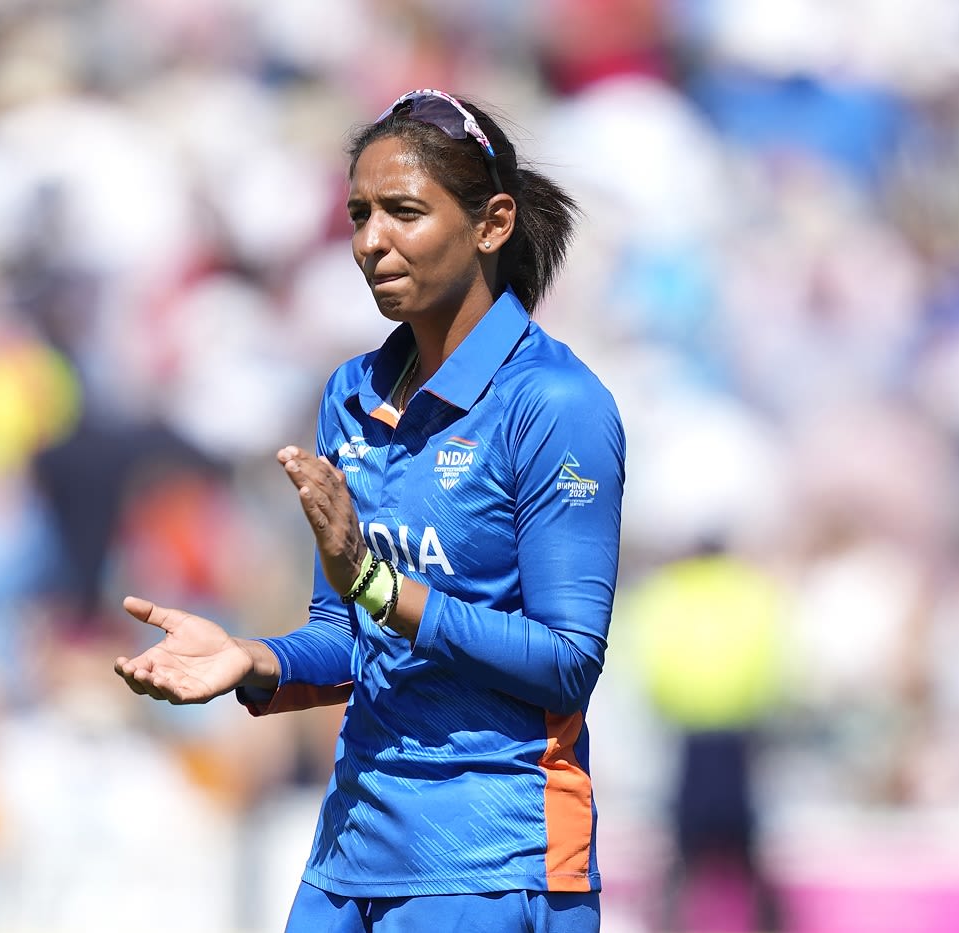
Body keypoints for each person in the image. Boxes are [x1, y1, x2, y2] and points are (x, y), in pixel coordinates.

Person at [114, 88, 626, 933]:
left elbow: (569, 660)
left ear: (492, 223)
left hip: (494, 859)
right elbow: (349, 630)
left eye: (403, 211)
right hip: (349, 853)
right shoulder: (351, 393)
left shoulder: (555, 402)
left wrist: (383, 586)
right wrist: (251, 658)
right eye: (358, 214)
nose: (370, 242)